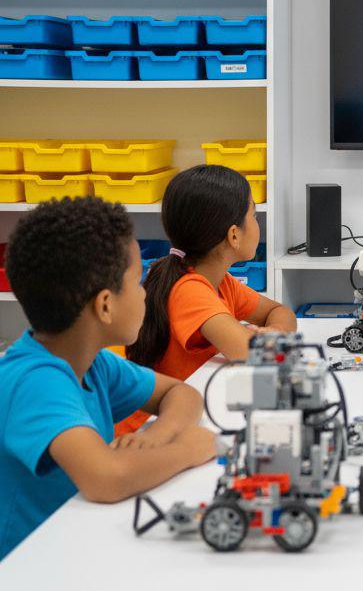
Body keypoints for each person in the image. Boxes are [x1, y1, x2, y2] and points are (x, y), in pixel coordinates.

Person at [0, 198, 215, 561]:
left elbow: (180, 393)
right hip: (29, 567)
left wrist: (157, 435)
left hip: (75, 544)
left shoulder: (92, 363)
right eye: (137, 281)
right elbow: (107, 478)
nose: (144, 292)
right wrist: (187, 450)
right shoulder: (35, 382)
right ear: (105, 305)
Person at [119, 165, 295, 434]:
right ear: (234, 235)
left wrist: (276, 331)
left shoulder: (220, 281)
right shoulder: (189, 289)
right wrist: (265, 340)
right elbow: (248, 352)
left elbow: (280, 311)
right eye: (253, 215)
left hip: (185, 409)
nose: (257, 223)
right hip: (145, 431)